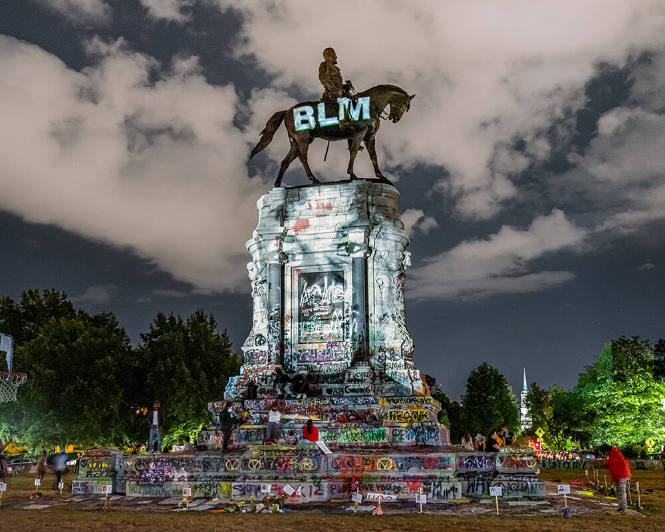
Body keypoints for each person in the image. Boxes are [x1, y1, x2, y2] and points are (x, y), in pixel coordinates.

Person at [600, 444, 631, 513]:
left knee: (621, 492)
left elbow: (612, 464)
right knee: (620, 492)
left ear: (606, 450)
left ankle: (623, 508)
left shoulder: (614, 454)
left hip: (622, 475)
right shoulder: (614, 453)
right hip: (622, 474)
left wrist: (604, 465)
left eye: (604, 453)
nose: (605, 454)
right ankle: (622, 507)